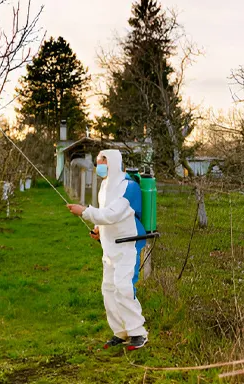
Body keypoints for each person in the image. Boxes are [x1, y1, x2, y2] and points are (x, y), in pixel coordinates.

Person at [66, 149, 148, 350]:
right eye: (97, 162)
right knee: (109, 290)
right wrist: (98, 230)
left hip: (128, 244)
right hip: (110, 247)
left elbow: (113, 214)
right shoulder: (105, 187)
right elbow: (104, 216)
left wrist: (85, 211)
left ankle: (138, 333)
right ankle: (120, 332)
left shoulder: (129, 187)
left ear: (113, 161)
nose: (98, 166)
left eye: (102, 161)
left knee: (124, 288)